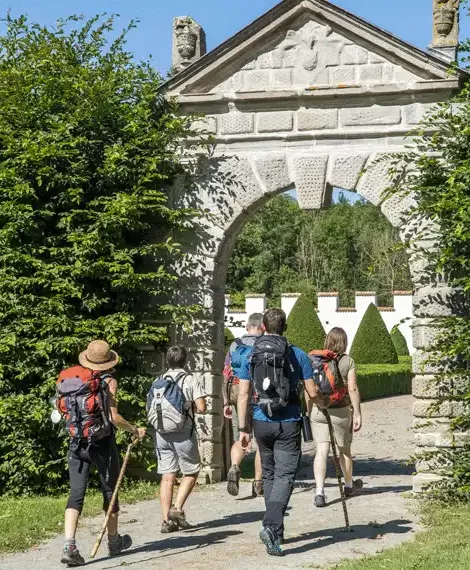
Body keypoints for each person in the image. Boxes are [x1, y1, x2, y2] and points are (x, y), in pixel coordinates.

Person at [237, 308, 324, 557]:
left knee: (270, 475)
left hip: (260, 421)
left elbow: (243, 394)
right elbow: (312, 391)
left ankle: (276, 529)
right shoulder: (297, 354)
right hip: (288, 421)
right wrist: (324, 404)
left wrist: (243, 429)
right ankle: (271, 526)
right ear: (285, 327)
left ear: (263, 327)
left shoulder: (250, 354)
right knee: (285, 476)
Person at [58, 340, 146, 567]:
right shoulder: (108, 382)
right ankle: (114, 541)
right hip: (102, 444)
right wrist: (135, 429)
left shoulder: (72, 381)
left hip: (76, 443)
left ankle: (69, 545)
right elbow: (114, 418)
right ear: (108, 361)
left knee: (76, 493)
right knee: (110, 491)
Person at [150, 345, 207, 533]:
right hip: (183, 432)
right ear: (185, 360)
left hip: (161, 433)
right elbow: (201, 407)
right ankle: (177, 508)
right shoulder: (190, 379)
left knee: (167, 476)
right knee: (191, 472)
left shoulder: (159, 379)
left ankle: (166, 521)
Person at [308, 327, 363, 508]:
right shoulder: (348, 361)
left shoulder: (315, 360)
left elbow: (309, 391)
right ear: (344, 342)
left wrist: (309, 410)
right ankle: (348, 485)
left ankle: (319, 492)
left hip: (319, 410)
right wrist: (357, 412)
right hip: (340, 410)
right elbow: (352, 388)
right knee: (344, 450)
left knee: (321, 450)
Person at [223, 313, 264, 497]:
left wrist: (226, 401)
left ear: (248, 327)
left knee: (240, 437)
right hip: (258, 398)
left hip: (236, 397)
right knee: (262, 443)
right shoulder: (264, 345)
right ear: (262, 327)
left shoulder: (234, 345)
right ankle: (258, 482)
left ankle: (234, 466)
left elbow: (226, 373)